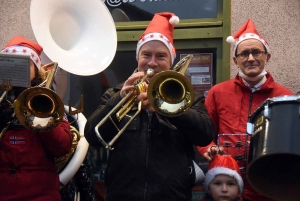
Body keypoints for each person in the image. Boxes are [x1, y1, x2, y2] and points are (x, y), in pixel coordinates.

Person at [84, 12, 214, 201]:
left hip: (172, 196)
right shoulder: (116, 93)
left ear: (170, 61)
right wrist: (119, 100)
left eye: (161, 56)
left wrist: (170, 109)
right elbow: (92, 135)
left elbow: (205, 134)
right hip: (123, 194)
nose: (152, 62)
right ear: (138, 57)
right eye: (146, 54)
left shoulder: (186, 94)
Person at [196, 19, 294, 201]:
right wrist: (209, 149)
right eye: (244, 54)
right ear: (235, 60)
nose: (250, 58)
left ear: (267, 57)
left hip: (267, 186)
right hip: (225, 185)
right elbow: (203, 133)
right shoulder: (218, 92)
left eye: (256, 52)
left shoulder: (283, 96)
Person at [0, 36, 72, 200]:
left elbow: (62, 147)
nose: (16, 69)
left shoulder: (48, 99)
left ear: (36, 69)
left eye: (23, 64)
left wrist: (38, 110)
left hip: (41, 195)